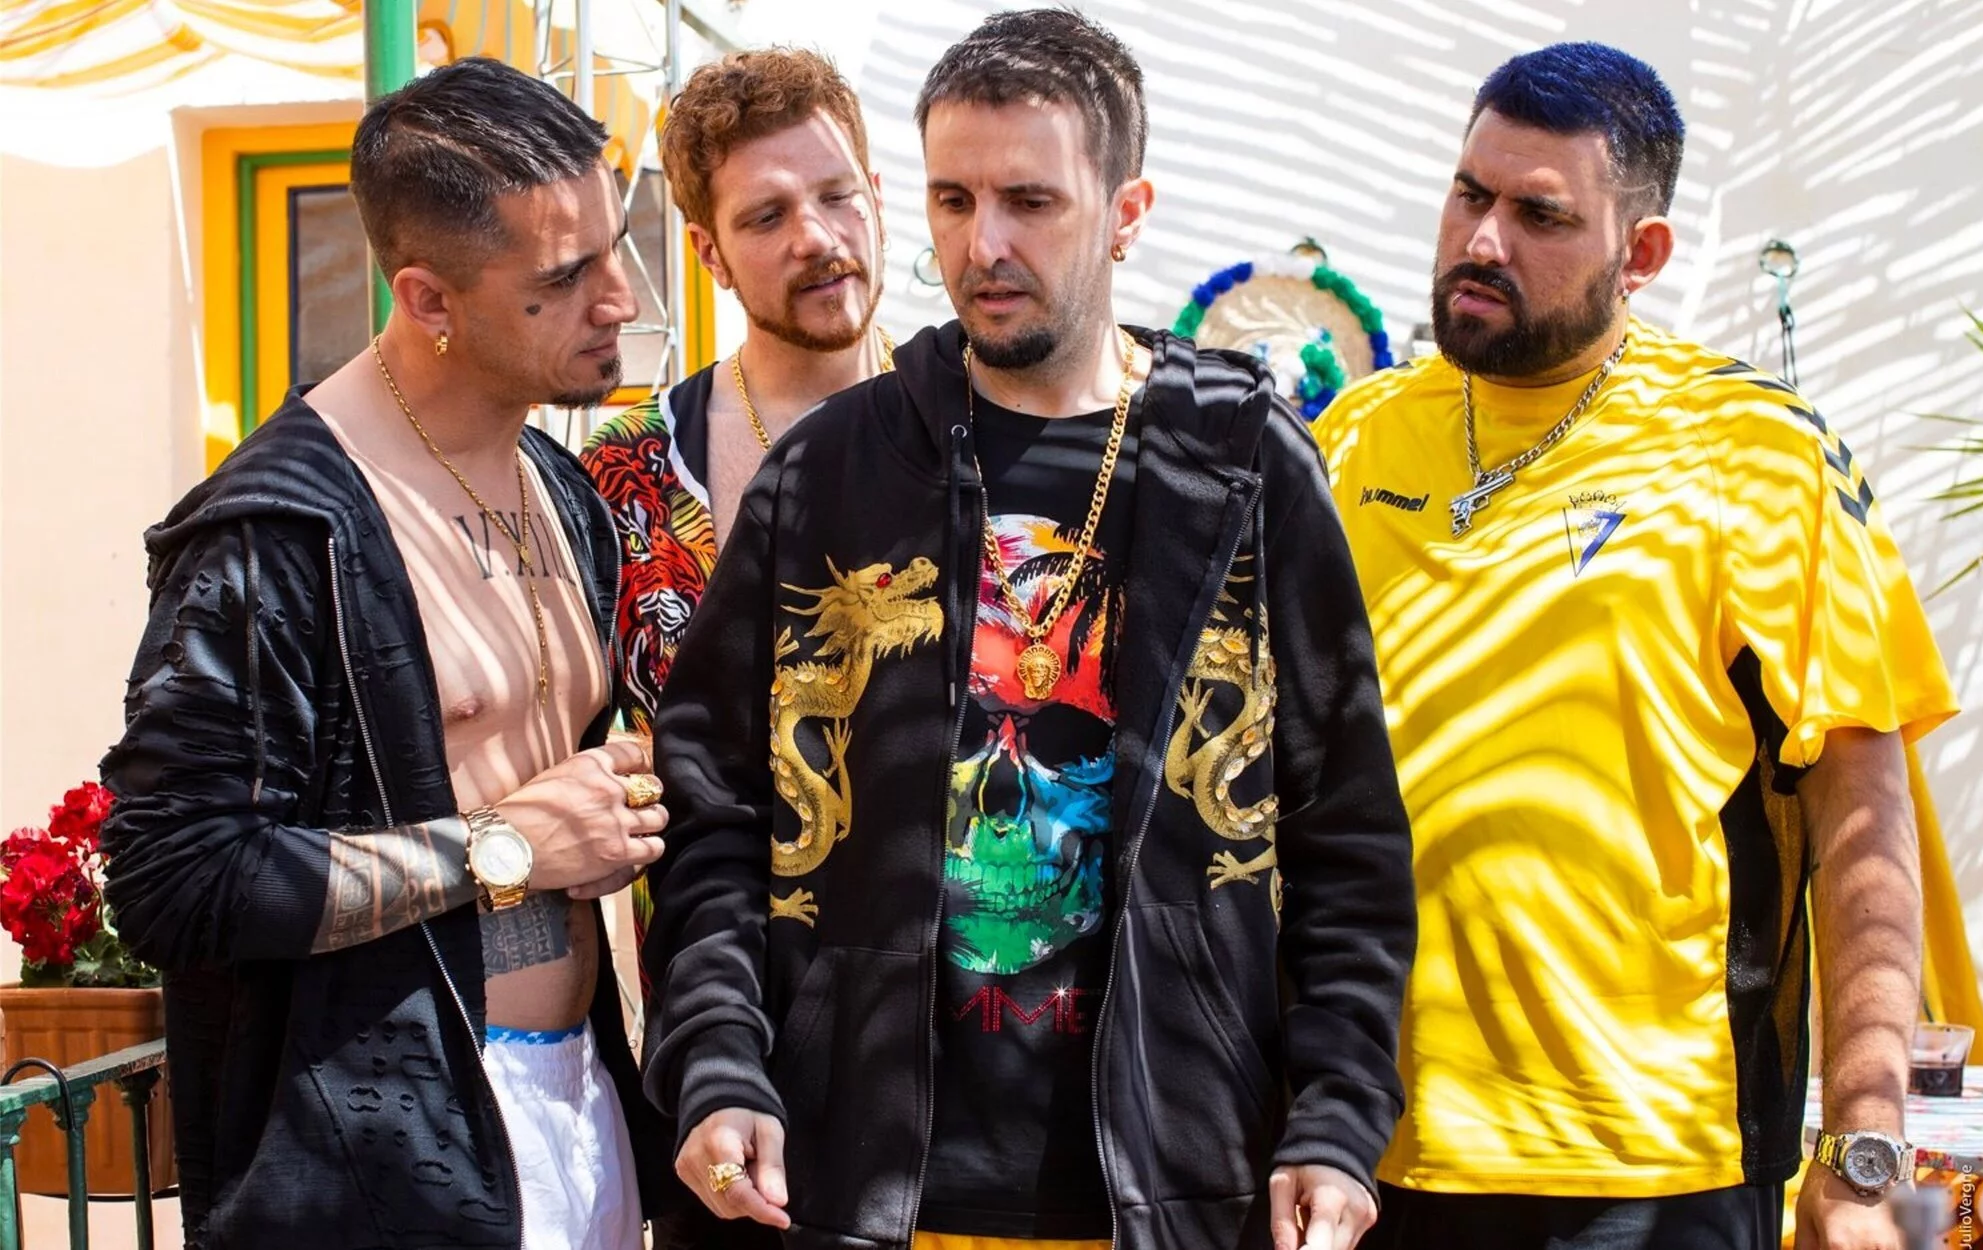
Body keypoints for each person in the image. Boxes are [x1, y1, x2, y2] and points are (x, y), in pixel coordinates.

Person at [643, 10, 1415, 1250]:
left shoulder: (1234, 463)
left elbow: (1345, 829)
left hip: (1175, 1183)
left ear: (1124, 211)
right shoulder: (832, 470)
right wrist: (717, 1057)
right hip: (858, 1186)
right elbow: (715, 811)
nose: (982, 245)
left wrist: (1333, 1116)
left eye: (1030, 201)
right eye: (951, 200)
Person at [1310, 42, 1958, 1250]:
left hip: (1647, 1168)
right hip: (1358, 1153)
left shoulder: (1753, 452)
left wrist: (1861, 1151)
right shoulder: (1351, 436)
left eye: (1538, 214)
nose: (1481, 240)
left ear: (1641, 252)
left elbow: (1861, 807)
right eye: (1468, 193)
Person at [100, 58, 678, 1249]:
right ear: (427, 299)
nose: (620, 297)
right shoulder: (275, 530)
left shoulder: (560, 485)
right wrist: (507, 844)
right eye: (562, 278)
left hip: (579, 1106)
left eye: (612, 248)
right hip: (382, 1169)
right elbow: (173, 876)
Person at [580, 46, 890, 972]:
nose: (816, 237)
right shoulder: (625, 473)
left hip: (950, 996)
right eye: (767, 215)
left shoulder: (980, 428)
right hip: (718, 985)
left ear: (878, 198)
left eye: (837, 195)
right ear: (708, 252)